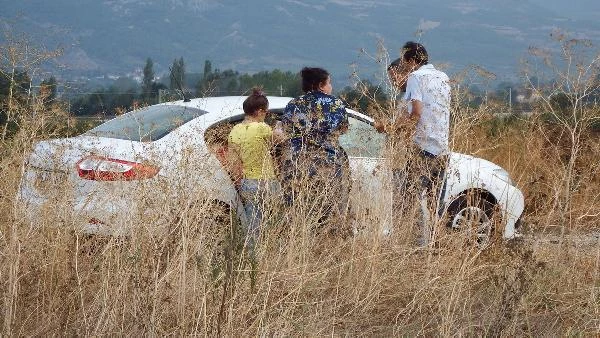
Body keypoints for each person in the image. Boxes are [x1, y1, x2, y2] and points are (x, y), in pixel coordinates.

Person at [375, 41, 451, 246]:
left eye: (404, 62)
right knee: (436, 203)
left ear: (410, 61)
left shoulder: (416, 77)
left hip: (423, 148)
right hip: (442, 149)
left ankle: (414, 245)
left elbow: (416, 113)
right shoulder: (443, 77)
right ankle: (438, 245)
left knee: (408, 200)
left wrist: (390, 127)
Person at [280, 67, 350, 233]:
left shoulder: (293, 105)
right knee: (329, 213)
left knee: (299, 215)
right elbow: (344, 129)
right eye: (329, 83)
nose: (331, 87)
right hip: (328, 166)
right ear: (320, 85)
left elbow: (286, 130)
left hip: (298, 166)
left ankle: (300, 250)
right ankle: (325, 250)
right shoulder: (336, 104)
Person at [227, 88, 284, 250]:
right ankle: (275, 254)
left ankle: (253, 259)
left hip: (247, 183)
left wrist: (240, 184)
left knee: (253, 225)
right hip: (267, 182)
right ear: (259, 111)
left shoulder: (234, 131)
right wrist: (279, 129)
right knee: (276, 222)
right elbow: (280, 140)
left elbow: (234, 164)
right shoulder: (261, 128)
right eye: (266, 112)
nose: (266, 115)